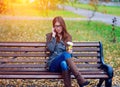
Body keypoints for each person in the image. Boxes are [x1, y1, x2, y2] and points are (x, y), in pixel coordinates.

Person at [46, 16, 89, 87]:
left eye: (60, 26)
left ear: (63, 26)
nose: (58, 28)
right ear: (53, 27)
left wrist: (70, 53)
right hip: (53, 65)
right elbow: (50, 49)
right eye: (56, 26)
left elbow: (69, 56)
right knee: (65, 54)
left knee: (64, 63)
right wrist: (53, 36)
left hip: (62, 65)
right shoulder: (50, 36)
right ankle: (80, 79)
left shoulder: (68, 37)